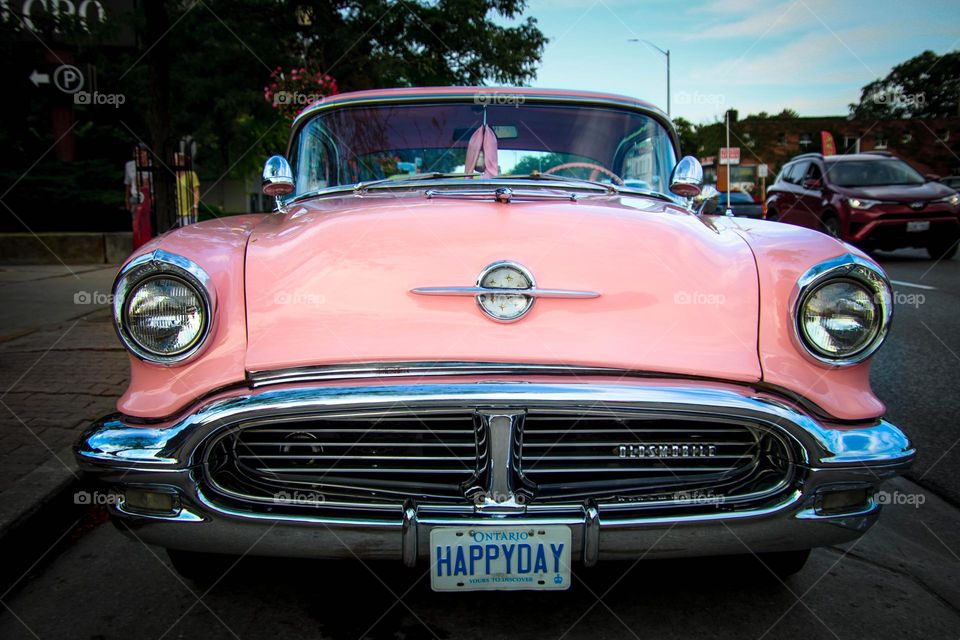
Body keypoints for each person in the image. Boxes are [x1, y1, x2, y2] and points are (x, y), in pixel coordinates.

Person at [124, 144, 153, 249]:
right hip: (136, 196)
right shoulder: (130, 166)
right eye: (136, 153)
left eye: (141, 153)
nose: (138, 155)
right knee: (137, 222)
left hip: (150, 196)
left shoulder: (151, 165)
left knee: (149, 223)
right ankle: (138, 244)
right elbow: (127, 184)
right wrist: (127, 199)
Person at [174, 152, 200, 226]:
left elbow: (196, 191)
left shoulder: (191, 175)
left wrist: (195, 207)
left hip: (188, 212)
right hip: (175, 212)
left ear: (182, 162)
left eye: (176, 160)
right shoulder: (171, 175)